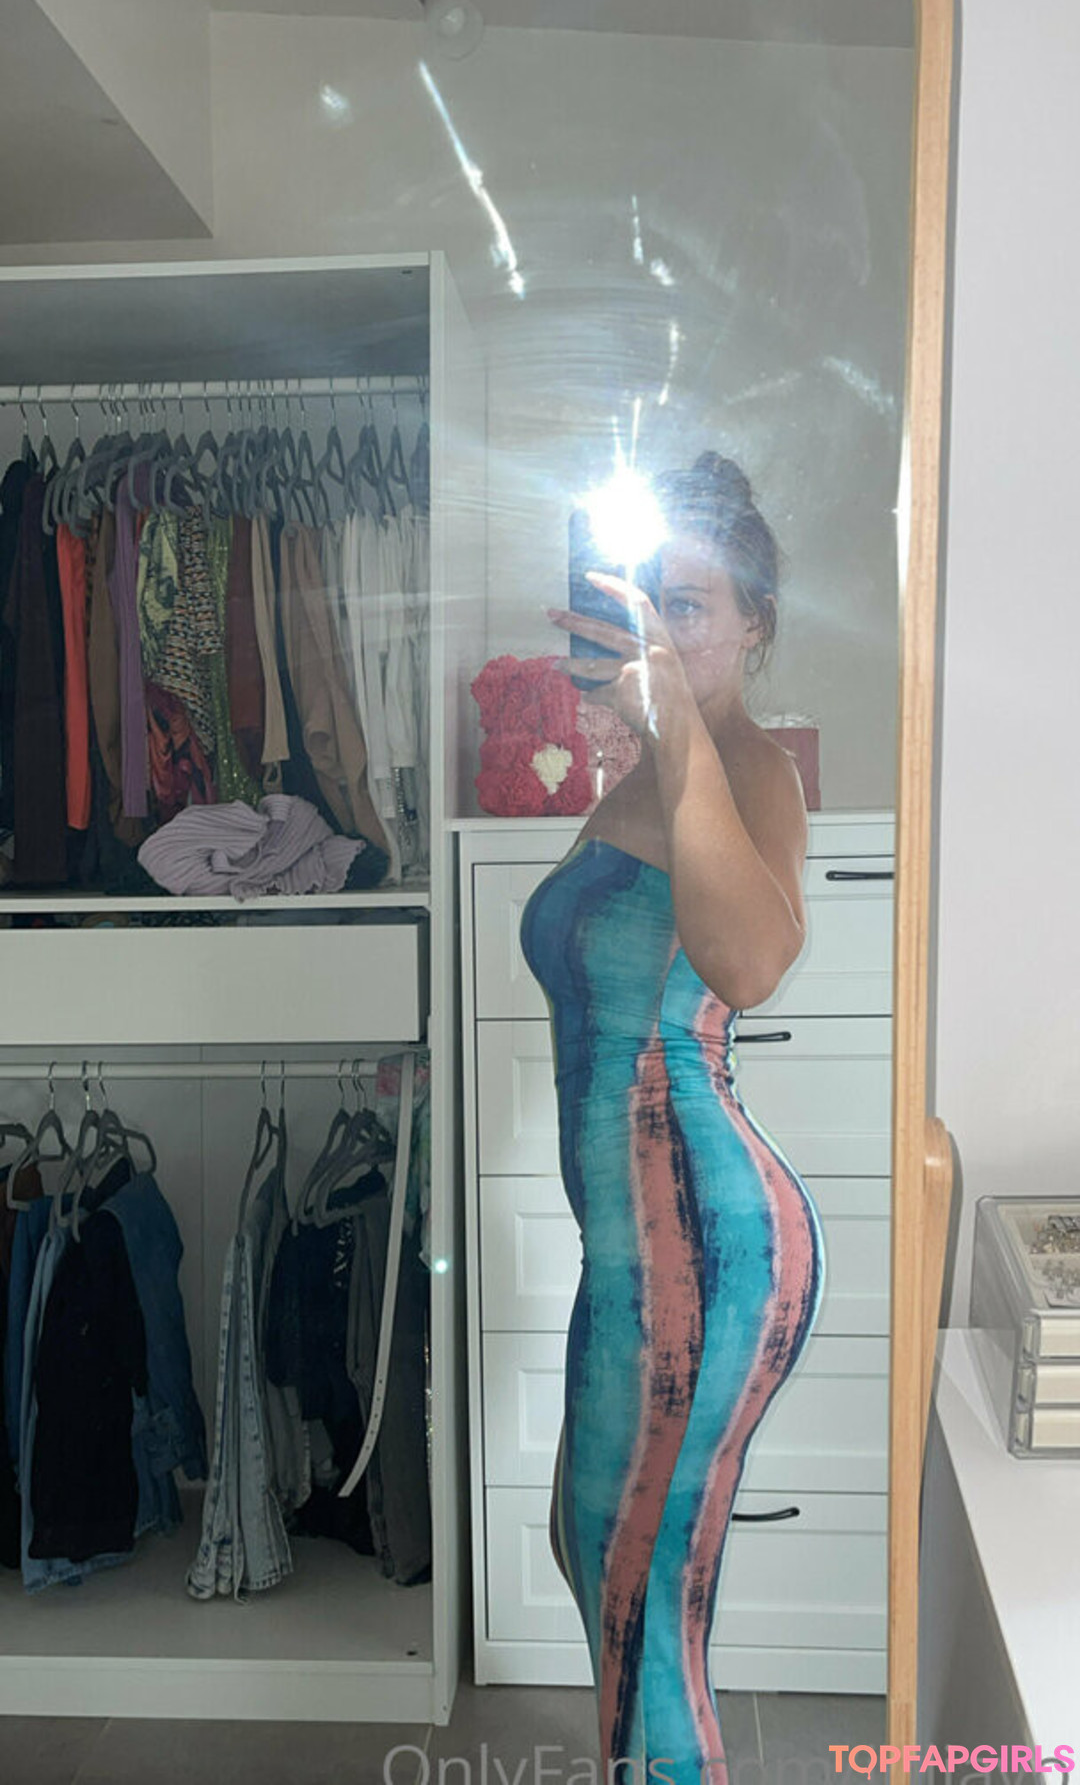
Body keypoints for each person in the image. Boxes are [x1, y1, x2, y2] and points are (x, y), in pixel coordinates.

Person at [520, 450, 826, 1785]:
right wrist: (649, 728)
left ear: (755, 623)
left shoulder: (750, 767)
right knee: (596, 1556)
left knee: (643, 1605)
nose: (658, 624)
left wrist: (678, 728)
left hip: (701, 1239)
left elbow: (748, 965)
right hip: (641, 1246)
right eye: (643, 595)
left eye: (688, 605)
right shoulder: (646, 771)